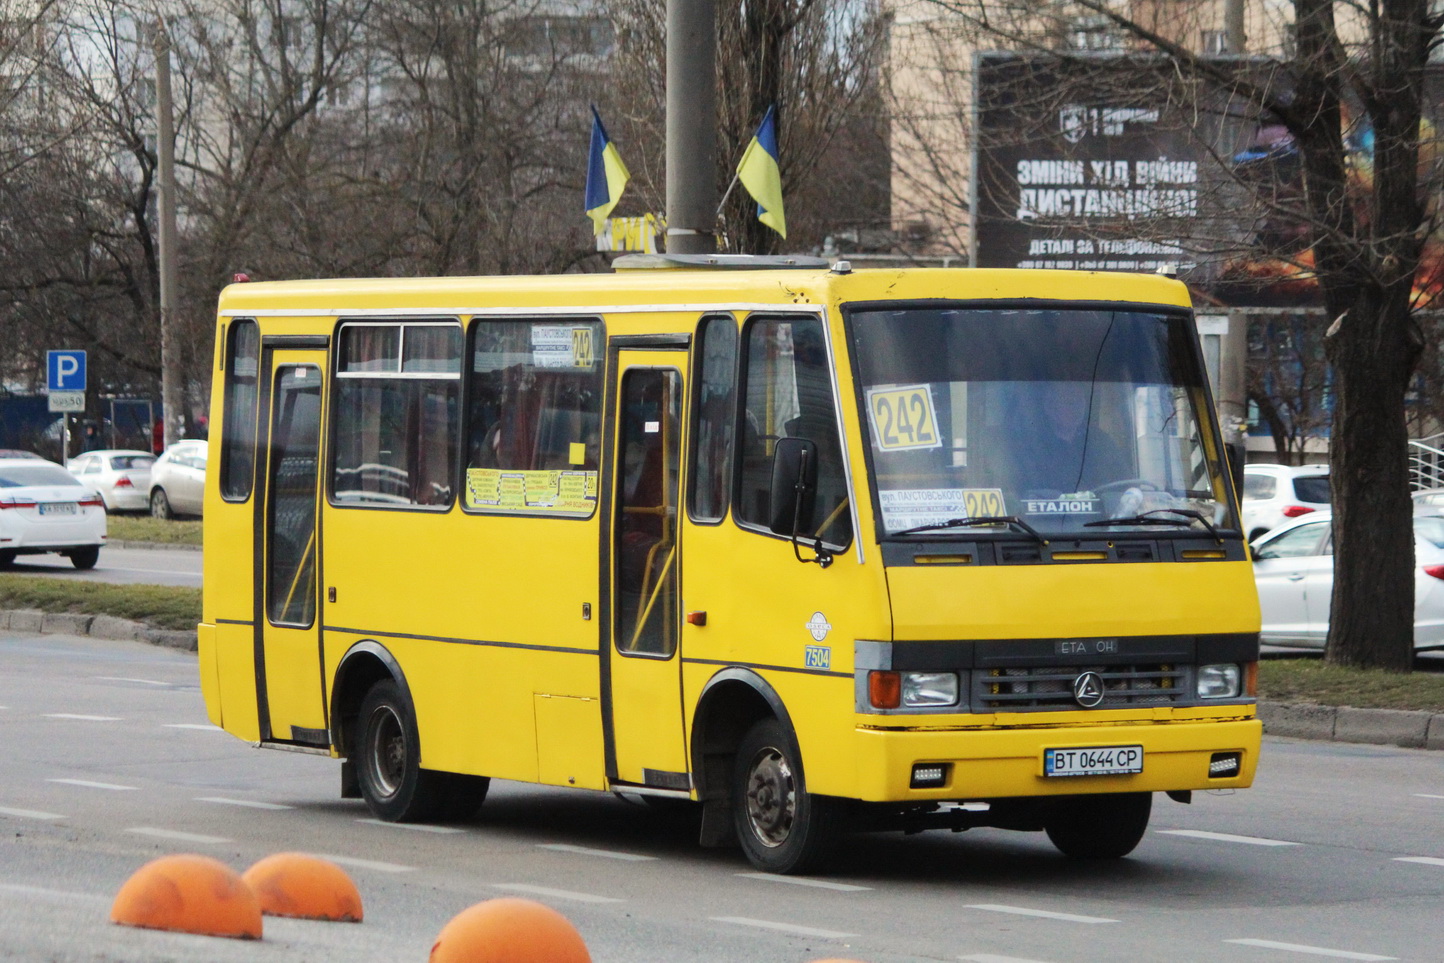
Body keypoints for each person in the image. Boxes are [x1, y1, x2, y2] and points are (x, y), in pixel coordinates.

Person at [1009, 380, 1133, 498]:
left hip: (1102, 518)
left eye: (1080, 401)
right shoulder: (1033, 446)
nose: (1077, 408)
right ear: (1050, 407)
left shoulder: (1101, 442)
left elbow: (1126, 485)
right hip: (1047, 519)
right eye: (1069, 403)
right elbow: (1022, 494)